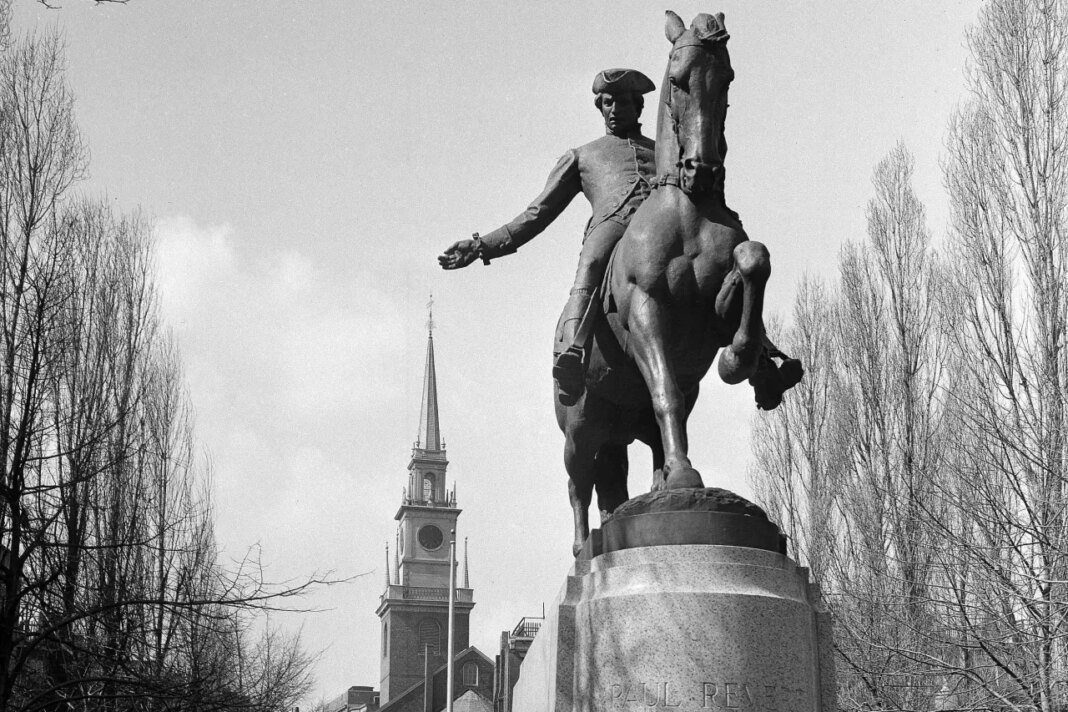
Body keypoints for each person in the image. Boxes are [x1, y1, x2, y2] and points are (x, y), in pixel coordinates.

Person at [438, 68, 657, 397]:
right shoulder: (582, 156)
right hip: (613, 225)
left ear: (638, 107)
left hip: (659, 229)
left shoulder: (664, 152)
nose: (614, 109)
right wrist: (481, 246)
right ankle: (573, 351)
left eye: (622, 102)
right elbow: (537, 213)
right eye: (607, 103)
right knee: (592, 262)